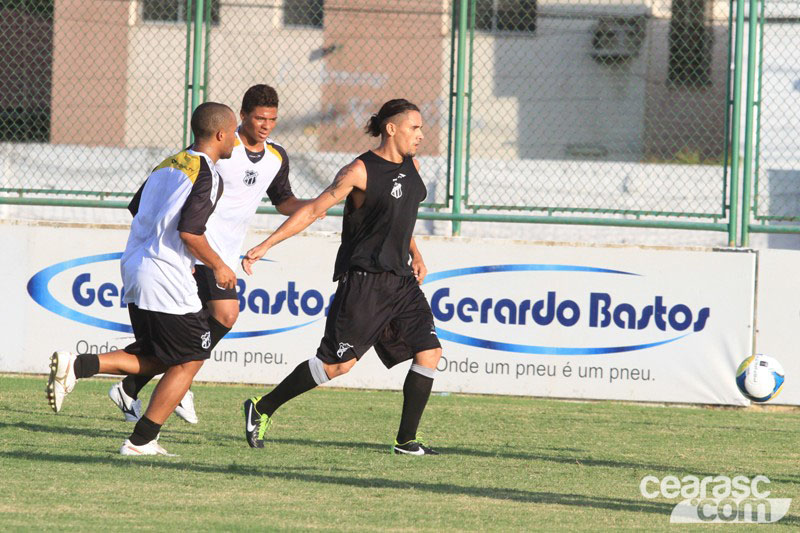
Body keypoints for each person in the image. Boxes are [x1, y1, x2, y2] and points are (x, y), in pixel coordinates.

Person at [240, 98, 443, 455]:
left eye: (422, 128)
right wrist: (268, 244)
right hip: (364, 282)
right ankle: (262, 406)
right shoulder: (358, 171)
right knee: (337, 366)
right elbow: (314, 210)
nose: (422, 135)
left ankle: (406, 441)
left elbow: (399, 215)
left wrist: (416, 252)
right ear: (391, 128)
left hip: (402, 282)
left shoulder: (414, 165)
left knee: (429, 351)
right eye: (415, 128)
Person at [109, 84, 315, 425]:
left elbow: (284, 202)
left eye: (273, 119)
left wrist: (314, 206)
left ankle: (136, 385)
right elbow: (176, 181)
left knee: (206, 325)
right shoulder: (219, 147)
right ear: (243, 116)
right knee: (225, 315)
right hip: (200, 250)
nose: (266, 125)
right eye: (260, 118)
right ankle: (163, 384)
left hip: (224, 256)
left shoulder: (276, 157)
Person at [45, 102, 238, 456]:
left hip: (135, 267)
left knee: (157, 355)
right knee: (191, 357)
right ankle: (141, 440)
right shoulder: (208, 173)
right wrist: (219, 266)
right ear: (221, 134)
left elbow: (138, 209)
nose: (237, 142)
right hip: (164, 275)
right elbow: (190, 232)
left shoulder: (167, 164)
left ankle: (81, 365)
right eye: (235, 133)